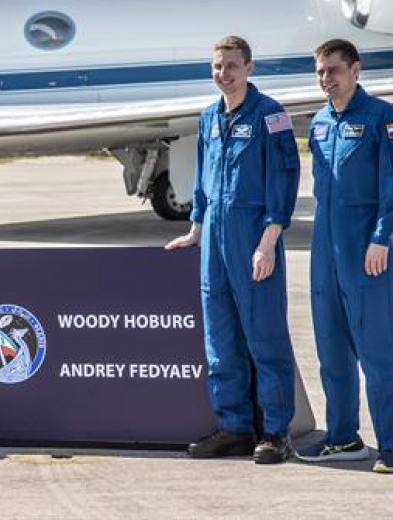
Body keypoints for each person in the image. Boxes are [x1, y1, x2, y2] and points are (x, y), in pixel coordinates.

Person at [165, 36, 300, 464]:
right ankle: (235, 427)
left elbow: (284, 177)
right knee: (219, 339)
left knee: (264, 337)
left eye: (232, 66)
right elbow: (203, 180)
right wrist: (195, 229)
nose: (224, 74)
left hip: (253, 239)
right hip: (215, 244)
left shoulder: (270, 116)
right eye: (218, 66)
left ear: (250, 68)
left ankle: (276, 432)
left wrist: (269, 240)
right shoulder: (208, 118)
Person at [295, 39, 393, 474]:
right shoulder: (318, 122)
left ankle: (390, 445)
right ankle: (342, 437)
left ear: (355, 71)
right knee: (331, 347)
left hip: (365, 248)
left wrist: (382, 237)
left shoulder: (381, 118)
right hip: (325, 248)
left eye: (333, 70)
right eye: (319, 71)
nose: (325, 79)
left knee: (377, 350)